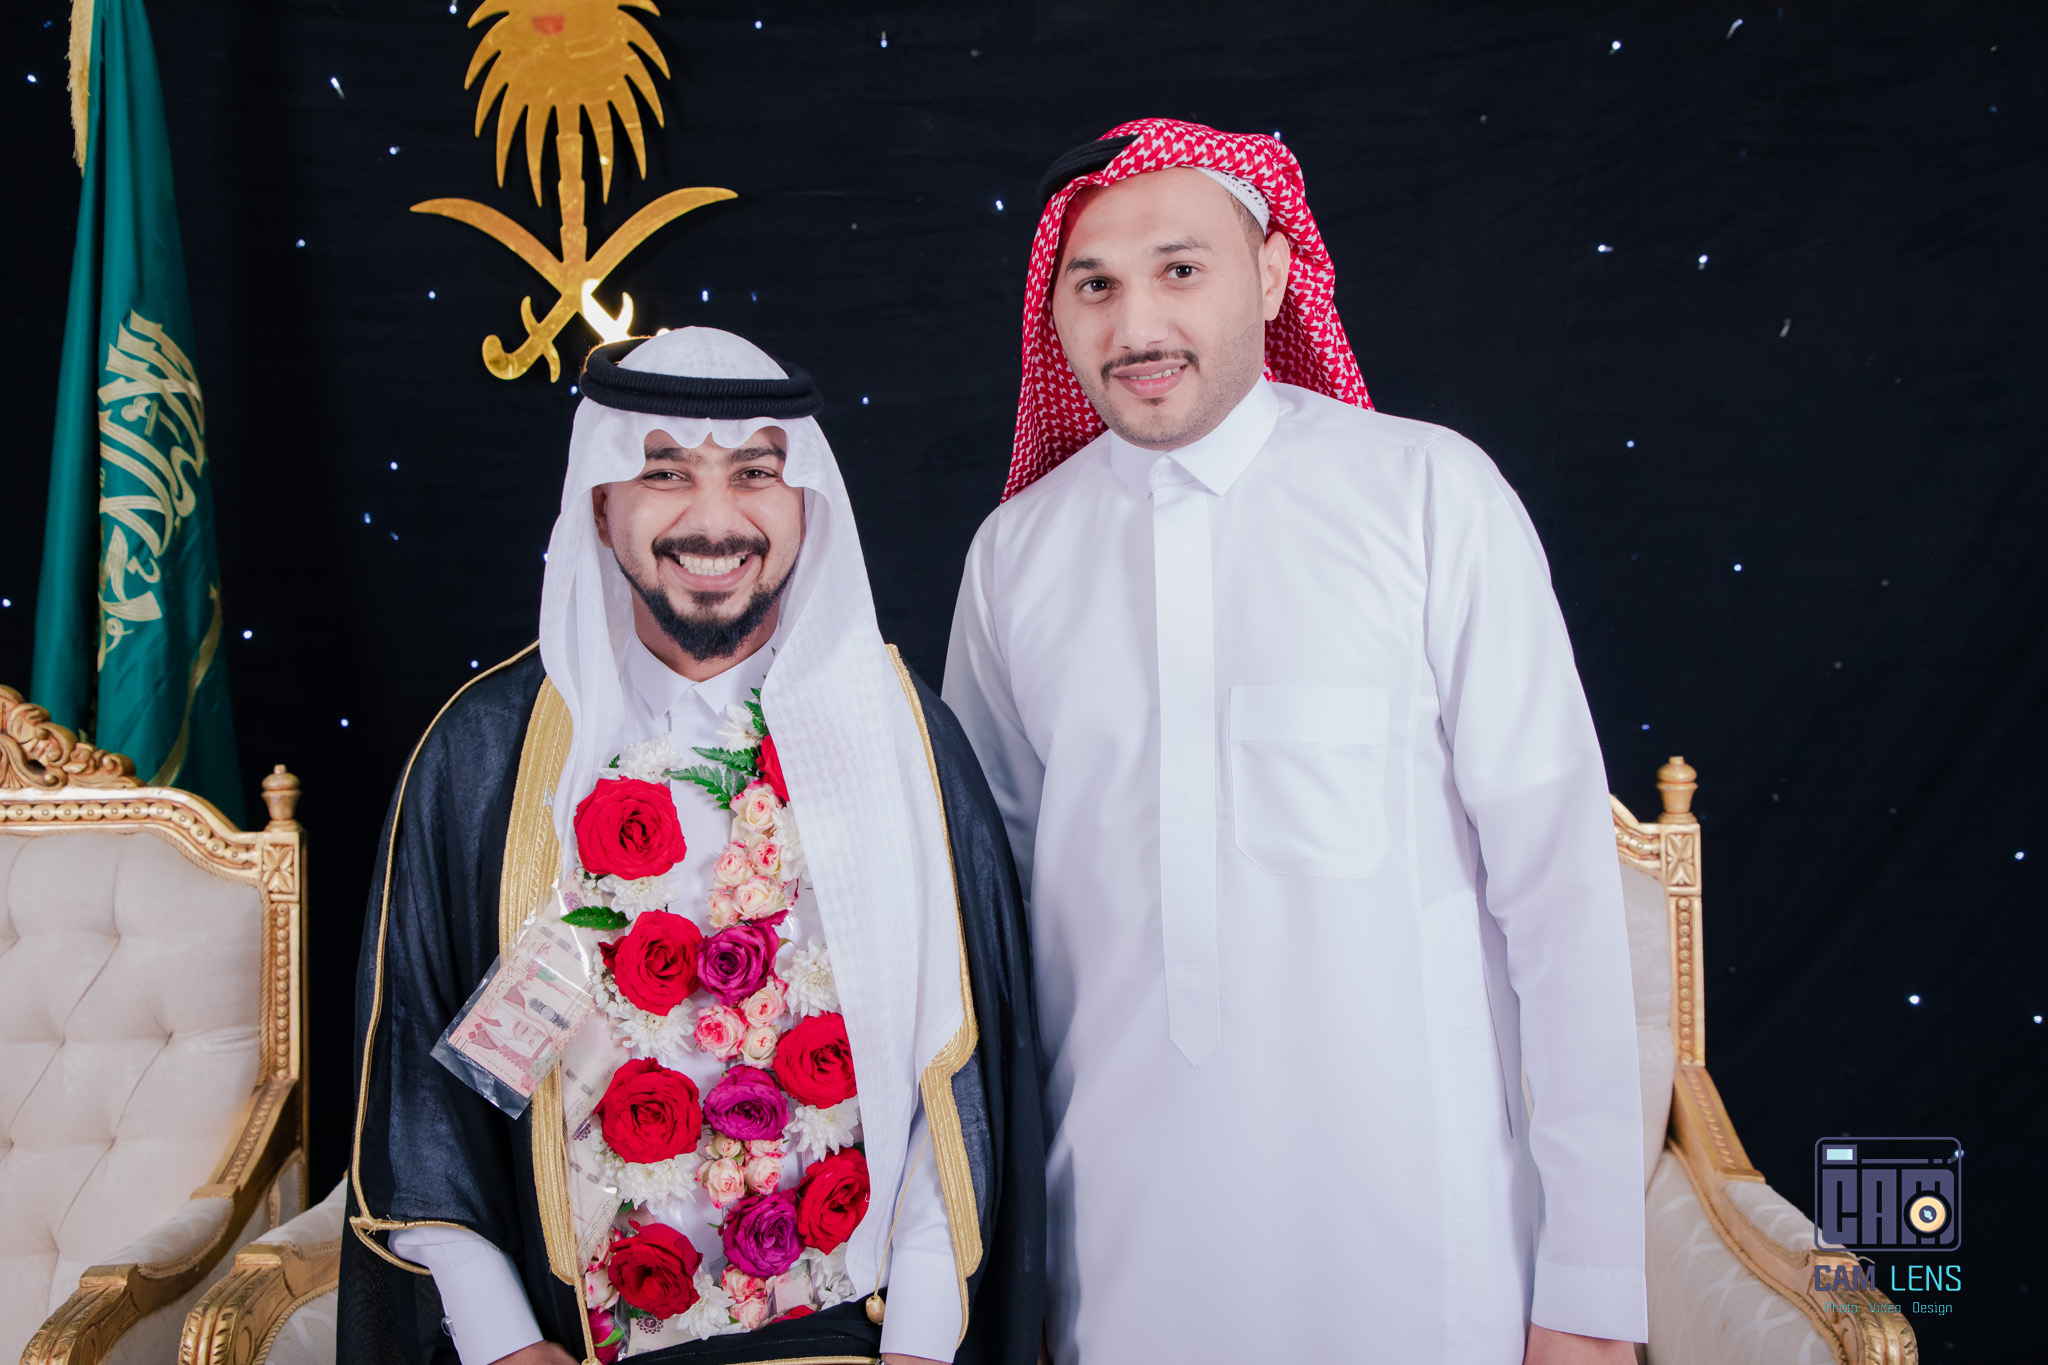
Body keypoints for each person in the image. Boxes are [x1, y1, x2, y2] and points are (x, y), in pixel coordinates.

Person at [943, 119, 1646, 1364]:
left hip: (1425, 1254)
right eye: (1092, 285)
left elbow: (1561, 903)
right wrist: (1009, 1281)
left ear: (1270, 276)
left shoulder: (1429, 495)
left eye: (1179, 269)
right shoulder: (1014, 559)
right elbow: (986, 944)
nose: (1135, 325)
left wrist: (1588, 1288)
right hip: (1116, 1260)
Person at [344, 328, 1042, 1365]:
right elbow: (418, 1091)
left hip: (851, 1339)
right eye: (664, 473)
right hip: (572, 1344)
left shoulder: (901, 741)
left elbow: (963, 1075)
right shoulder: (488, 754)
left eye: (755, 473)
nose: (714, 520)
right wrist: (501, 1345)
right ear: (600, 504)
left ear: (806, 502)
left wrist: (922, 1343)